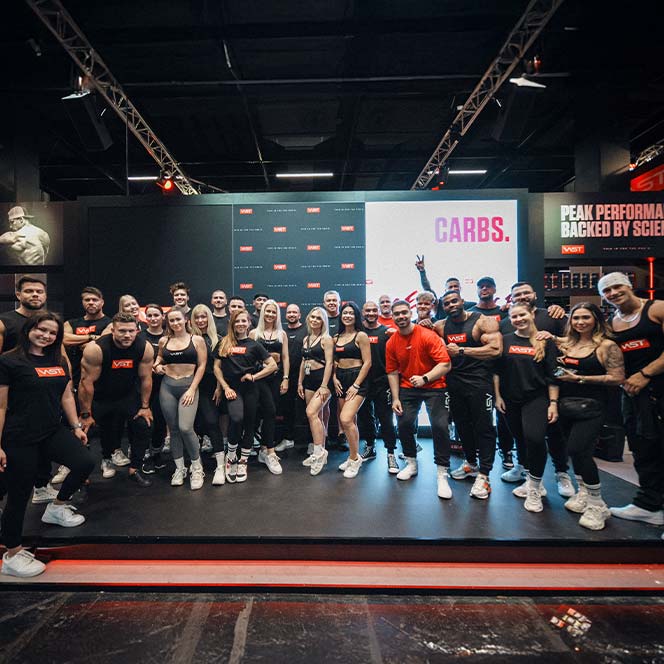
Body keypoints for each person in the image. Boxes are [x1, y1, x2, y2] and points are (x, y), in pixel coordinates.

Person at [0, 313, 94, 577]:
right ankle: (12, 554)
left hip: (51, 430)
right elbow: (1, 406)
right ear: (29, 329)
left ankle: (57, 507)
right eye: (41, 330)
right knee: (19, 495)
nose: (46, 336)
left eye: (53, 333)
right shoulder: (8, 361)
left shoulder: (58, 361)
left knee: (84, 462)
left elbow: (66, 396)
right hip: (19, 436)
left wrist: (76, 426)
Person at [599, 272, 664, 528]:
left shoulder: (656, 309)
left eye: (617, 287)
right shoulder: (612, 323)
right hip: (634, 394)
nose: (613, 293)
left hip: (657, 386)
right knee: (642, 447)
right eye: (607, 291)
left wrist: (645, 374)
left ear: (629, 286)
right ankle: (648, 505)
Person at [553, 302, 625, 530]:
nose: (580, 322)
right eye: (576, 318)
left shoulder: (606, 346)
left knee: (579, 450)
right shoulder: (567, 343)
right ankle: (583, 491)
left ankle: (597, 504)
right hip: (566, 405)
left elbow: (617, 377)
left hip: (593, 406)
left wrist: (580, 379)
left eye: (586, 317)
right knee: (572, 451)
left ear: (596, 319)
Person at [498, 281, 573, 497]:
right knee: (522, 436)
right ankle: (524, 468)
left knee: (551, 434)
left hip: (544, 390)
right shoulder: (505, 326)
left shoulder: (553, 316)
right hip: (513, 394)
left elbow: (574, 339)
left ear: (534, 295)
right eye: (517, 295)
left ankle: (561, 473)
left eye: (526, 293)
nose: (522, 297)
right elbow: (499, 364)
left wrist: (553, 338)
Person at [434, 290, 502, 499]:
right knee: (462, 426)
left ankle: (485, 475)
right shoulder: (441, 326)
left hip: (479, 383)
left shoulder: (482, 321)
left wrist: (463, 351)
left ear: (462, 301)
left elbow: (495, 350)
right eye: (447, 303)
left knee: (484, 428)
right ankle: (471, 464)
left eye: (454, 301)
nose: (451, 305)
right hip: (455, 383)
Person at [494, 304, 559, 513]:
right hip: (510, 399)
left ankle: (535, 486)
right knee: (519, 438)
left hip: (536, 398)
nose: (519, 319)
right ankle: (525, 471)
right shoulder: (505, 340)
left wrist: (553, 403)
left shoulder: (545, 341)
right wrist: (498, 396)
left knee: (535, 438)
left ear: (532, 314)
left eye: (522, 314)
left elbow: (552, 376)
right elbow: (497, 372)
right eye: (514, 316)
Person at [386, 300, 453, 499]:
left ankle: (442, 473)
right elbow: (392, 372)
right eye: (397, 314)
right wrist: (395, 398)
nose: (401, 316)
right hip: (408, 387)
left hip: (435, 386)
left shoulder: (427, 335)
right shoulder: (392, 342)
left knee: (440, 426)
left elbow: (445, 364)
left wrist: (425, 378)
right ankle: (411, 463)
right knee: (404, 423)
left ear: (411, 312)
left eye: (404, 312)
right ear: (393, 317)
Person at [79, 312, 154, 487]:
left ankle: (135, 469)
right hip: (100, 396)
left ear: (137, 331)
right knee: (84, 430)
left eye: (131, 331)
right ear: (113, 330)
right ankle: (82, 475)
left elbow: (146, 378)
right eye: (122, 331)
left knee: (144, 424)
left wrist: (145, 407)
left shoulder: (144, 347)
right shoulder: (96, 349)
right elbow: (86, 382)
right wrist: (85, 413)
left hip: (126, 395)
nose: (127, 335)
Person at [214, 310, 277, 483]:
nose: (241, 324)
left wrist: (254, 377)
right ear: (232, 323)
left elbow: (272, 365)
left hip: (250, 389)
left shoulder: (254, 345)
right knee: (236, 419)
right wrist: (225, 387)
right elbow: (217, 367)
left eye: (244, 321)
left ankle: (243, 462)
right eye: (237, 321)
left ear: (249, 323)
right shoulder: (223, 342)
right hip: (232, 388)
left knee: (249, 423)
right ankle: (231, 457)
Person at [154, 309, 207, 490]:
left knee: (185, 427)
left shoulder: (196, 340)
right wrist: (157, 366)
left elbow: (202, 366)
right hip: (167, 387)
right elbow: (159, 358)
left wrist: (192, 388)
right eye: (172, 320)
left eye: (178, 319)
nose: (175, 323)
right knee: (174, 429)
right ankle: (179, 468)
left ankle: (197, 467)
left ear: (185, 320)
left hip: (188, 386)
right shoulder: (164, 340)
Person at [358, 301, 399, 473]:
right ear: (363, 312)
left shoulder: (386, 332)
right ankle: (370, 447)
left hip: (383, 382)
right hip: (363, 382)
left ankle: (391, 453)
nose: (371, 313)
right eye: (368, 310)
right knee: (365, 417)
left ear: (378, 312)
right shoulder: (358, 332)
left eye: (374, 310)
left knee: (386, 419)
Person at [249, 300, 289, 475]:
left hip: (275, 378)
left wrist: (285, 378)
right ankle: (266, 450)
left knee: (270, 413)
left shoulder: (281, 334)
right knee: (264, 412)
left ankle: (266, 449)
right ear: (262, 312)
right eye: (268, 311)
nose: (270, 314)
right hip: (258, 379)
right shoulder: (254, 333)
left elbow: (285, 357)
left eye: (274, 312)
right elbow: (249, 357)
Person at [333, 302, 371, 479]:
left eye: (351, 313)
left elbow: (368, 362)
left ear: (356, 316)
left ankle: (355, 459)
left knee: (346, 419)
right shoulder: (336, 337)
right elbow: (334, 361)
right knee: (350, 422)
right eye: (345, 313)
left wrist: (356, 385)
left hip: (357, 379)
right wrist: (334, 378)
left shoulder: (361, 335)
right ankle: (352, 456)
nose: (347, 316)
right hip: (340, 379)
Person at [191, 304, 225, 484]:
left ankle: (221, 465)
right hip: (190, 386)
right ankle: (195, 464)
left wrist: (219, 387)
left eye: (203, 317)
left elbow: (221, 367)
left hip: (211, 386)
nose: (200, 320)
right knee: (193, 425)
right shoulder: (188, 338)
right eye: (197, 317)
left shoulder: (218, 339)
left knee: (212, 422)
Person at [298, 307, 334, 475]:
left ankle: (319, 453)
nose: (314, 320)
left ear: (323, 321)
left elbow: (329, 363)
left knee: (311, 413)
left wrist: (325, 385)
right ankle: (320, 451)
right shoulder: (306, 339)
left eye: (318, 318)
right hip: (309, 379)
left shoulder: (326, 339)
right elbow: (303, 361)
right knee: (318, 416)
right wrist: (300, 382)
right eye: (312, 317)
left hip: (322, 380)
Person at [275, 304, 308, 453]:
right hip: (284, 376)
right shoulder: (281, 331)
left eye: (295, 312)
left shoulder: (307, 330)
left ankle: (311, 441)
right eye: (289, 312)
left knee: (307, 409)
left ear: (300, 315)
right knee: (286, 408)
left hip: (304, 376)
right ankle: (288, 439)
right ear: (285, 314)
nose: (292, 314)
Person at [140, 304, 167, 474]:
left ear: (162, 316)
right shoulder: (139, 336)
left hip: (163, 385)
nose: (153, 318)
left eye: (156, 315)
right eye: (149, 315)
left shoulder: (169, 335)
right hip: (142, 385)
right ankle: (142, 456)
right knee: (143, 423)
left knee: (160, 421)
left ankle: (156, 453)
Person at [0, 276, 48, 353]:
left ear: (45, 296)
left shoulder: (52, 321)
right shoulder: (3, 322)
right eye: (29, 291)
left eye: (39, 292)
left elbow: (60, 354)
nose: (35, 294)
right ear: (18, 295)